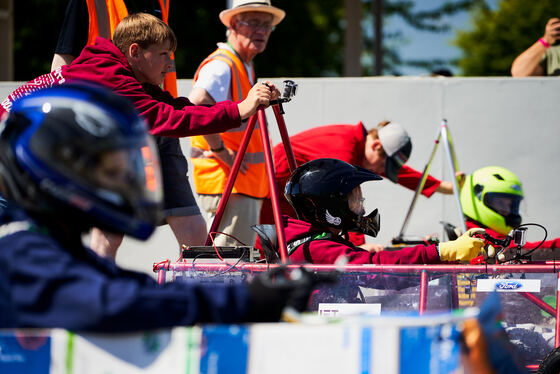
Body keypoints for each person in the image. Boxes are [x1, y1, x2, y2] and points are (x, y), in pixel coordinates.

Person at [0, 84, 315, 331]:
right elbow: (115, 303)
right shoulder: (18, 250)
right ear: (54, 172)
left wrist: (256, 293)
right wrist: (244, 300)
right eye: (106, 172)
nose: (117, 184)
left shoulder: (49, 242)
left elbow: (123, 285)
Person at [0, 13, 277, 260]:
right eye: (163, 55)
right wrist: (240, 109)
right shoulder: (111, 79)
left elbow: (173, 108)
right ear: (135, 51)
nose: (169, 65)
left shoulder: (120, 73)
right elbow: (166, 119)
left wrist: (237, 109)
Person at [50, 1, 190, 258]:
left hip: (158, 120)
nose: (169, 60)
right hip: (114, 132)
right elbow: (62, 63)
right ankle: (96, 292)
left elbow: (160, 58)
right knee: (107, 231)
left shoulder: (162, 2)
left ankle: (205, 288)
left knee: (188, 220)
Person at [260, 121, 464, 249]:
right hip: (269, 195)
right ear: (376, 146)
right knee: (269, 252)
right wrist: (357, 247)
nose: (381, 172)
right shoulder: (344, 147)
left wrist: (441, 186)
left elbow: (402, 174)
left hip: (288, 198)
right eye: (384, 167)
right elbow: (342, 205)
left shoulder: (364, 151)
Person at [263, 158, 490, 265]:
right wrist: (440, 252)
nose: (361, 208)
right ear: (331, 205)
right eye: (355, 200)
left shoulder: (315, 239)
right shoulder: (316, 247)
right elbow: (375, 267)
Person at [188, 0, 285, 247]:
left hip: (238, 186)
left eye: (266, 25)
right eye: (253, 23)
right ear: (233, 24)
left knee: (231, 265)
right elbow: (197, 104)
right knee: (225, 267)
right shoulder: (223, 65)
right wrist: (220, 151)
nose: (261, 30)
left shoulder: (243, 64)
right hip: (227, 185)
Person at [51, 0, 178, 97]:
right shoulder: (90, 2)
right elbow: (62, 62)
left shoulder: (162, 2)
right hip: (103, 110)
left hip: (152, 109)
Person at [460, 166, 560, 252]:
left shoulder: (496, 236)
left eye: (511, 204)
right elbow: (517, 253)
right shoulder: (476, 238)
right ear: (477, 197)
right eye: (500, 202)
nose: (507, 210)